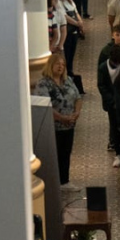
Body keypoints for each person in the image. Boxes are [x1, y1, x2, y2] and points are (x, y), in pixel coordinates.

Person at [35, 53, 82, 190]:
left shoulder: (67, 80)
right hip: (53, 126)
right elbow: (46, 106)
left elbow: (78, 97)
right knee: (54, 154)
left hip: (69, 125)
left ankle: (64, 181)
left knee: (65, 153)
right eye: (58, 64)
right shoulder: (43, 83)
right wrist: (62, 118)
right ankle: (53, 182)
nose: (61, 67)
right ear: (51, 65)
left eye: (63, 65)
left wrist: (76, 113)